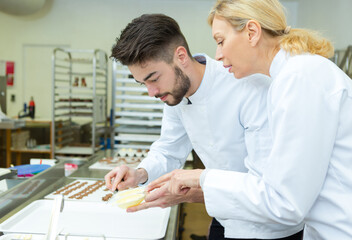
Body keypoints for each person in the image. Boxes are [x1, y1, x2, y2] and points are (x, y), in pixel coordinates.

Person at [156, 0, 352, 239]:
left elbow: (285, 202)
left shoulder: (299, 78)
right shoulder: (289, 78)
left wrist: (202, 179)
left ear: (252, 32)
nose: (218, 54)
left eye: (221, 41)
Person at [106, 14, 303, 240]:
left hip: (272, 227)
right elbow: (168, 150)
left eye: (154, 78)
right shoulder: (175, 96)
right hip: (225, 215)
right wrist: (139, 174)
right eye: (144, 84)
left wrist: (193, 190)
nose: (152, 92)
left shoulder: (246, 85)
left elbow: (265, 184)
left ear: (180, 56)